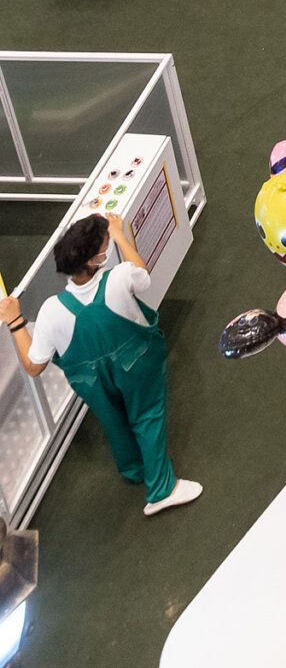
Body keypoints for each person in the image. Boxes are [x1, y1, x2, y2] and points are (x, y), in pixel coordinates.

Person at [1, 213, 199, 516]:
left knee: (113, 420)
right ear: (95, 260)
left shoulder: (51, 311)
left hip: (91, 382)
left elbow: (33, 366)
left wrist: (15, 321)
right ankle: (161, 489)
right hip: (138, 364)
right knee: (147, 416)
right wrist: (120, 234)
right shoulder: (120, 277)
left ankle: (133, 469)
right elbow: (142, 275)